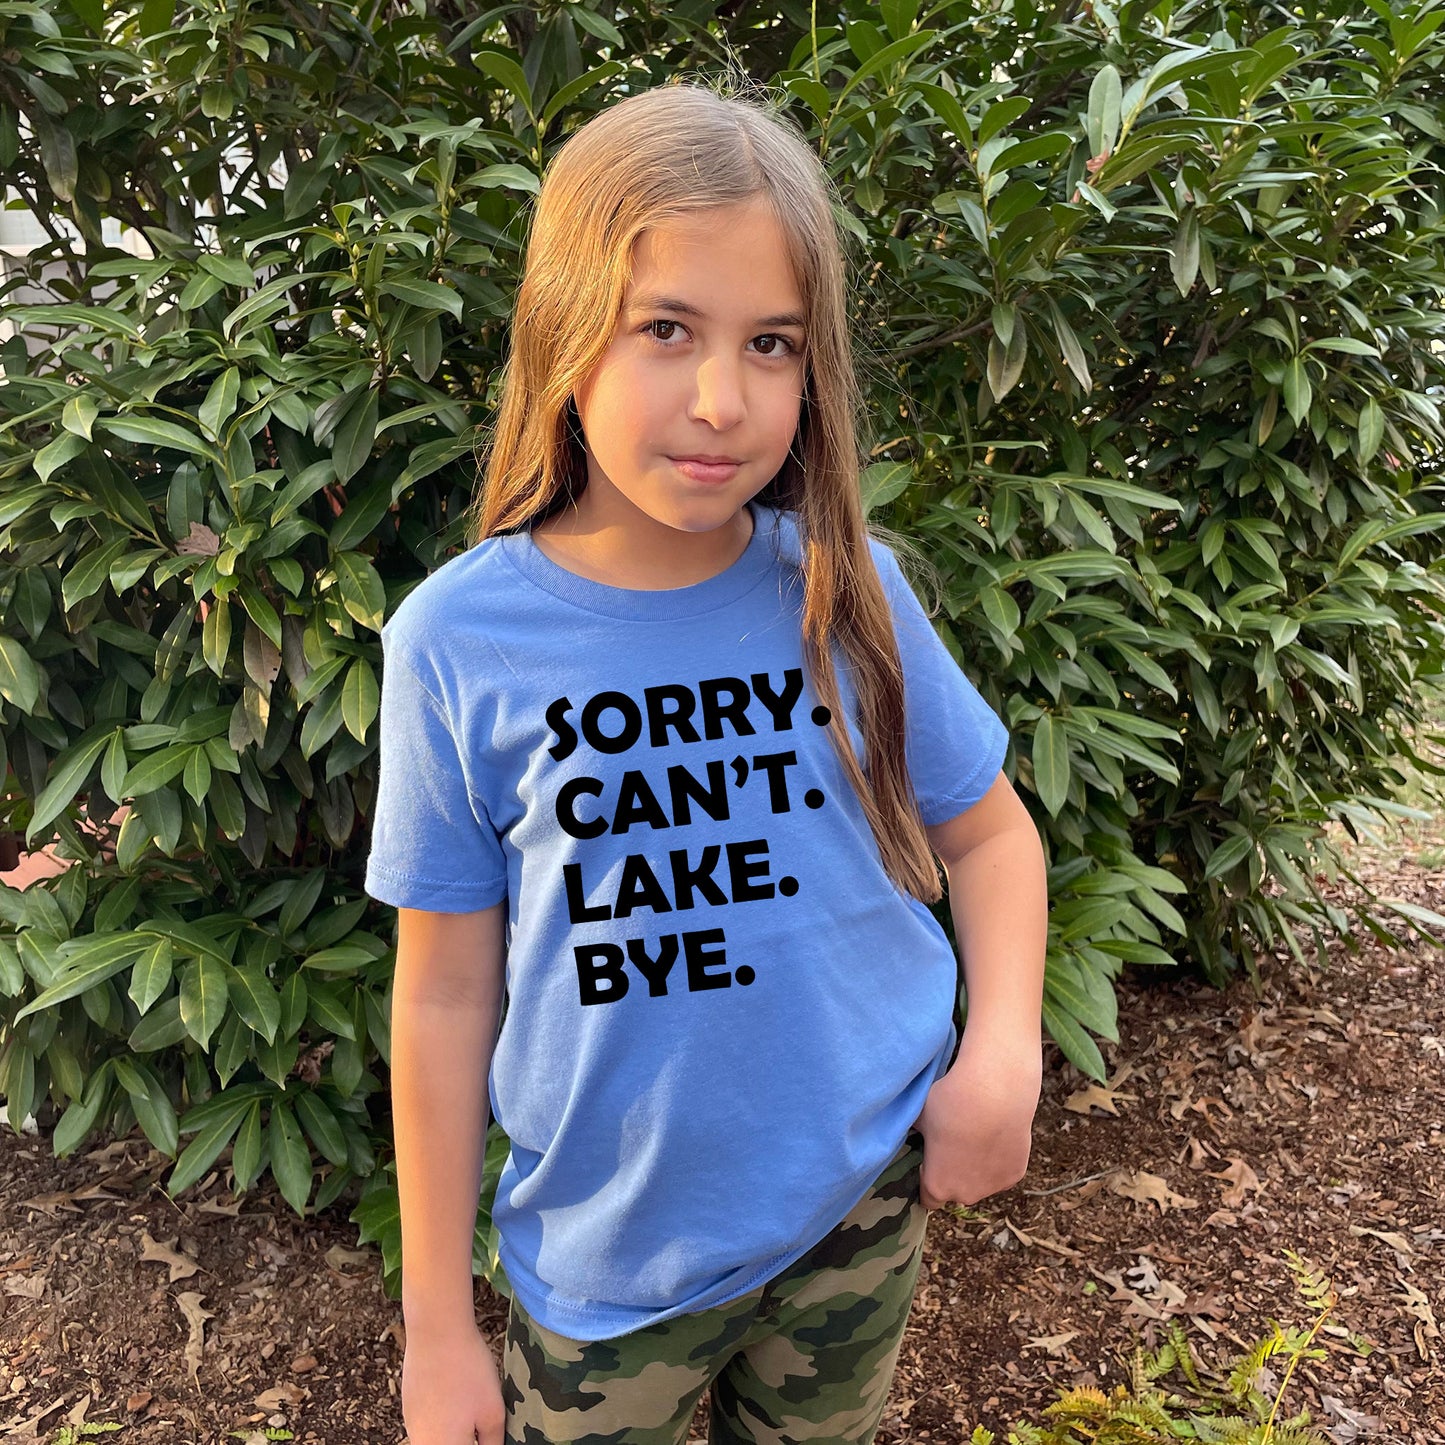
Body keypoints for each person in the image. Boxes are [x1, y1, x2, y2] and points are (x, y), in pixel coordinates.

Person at [364, 75, 1048, 1445]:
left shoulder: (845, 588)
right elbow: (441, 1002)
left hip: (851, 1209)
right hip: (606, 1271)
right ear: (567, 329)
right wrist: (439, 1328)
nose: (722, 398)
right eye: (666, 329)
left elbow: (990, 835)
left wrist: (1004, 1047)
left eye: (774, 344)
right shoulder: (456, 640)